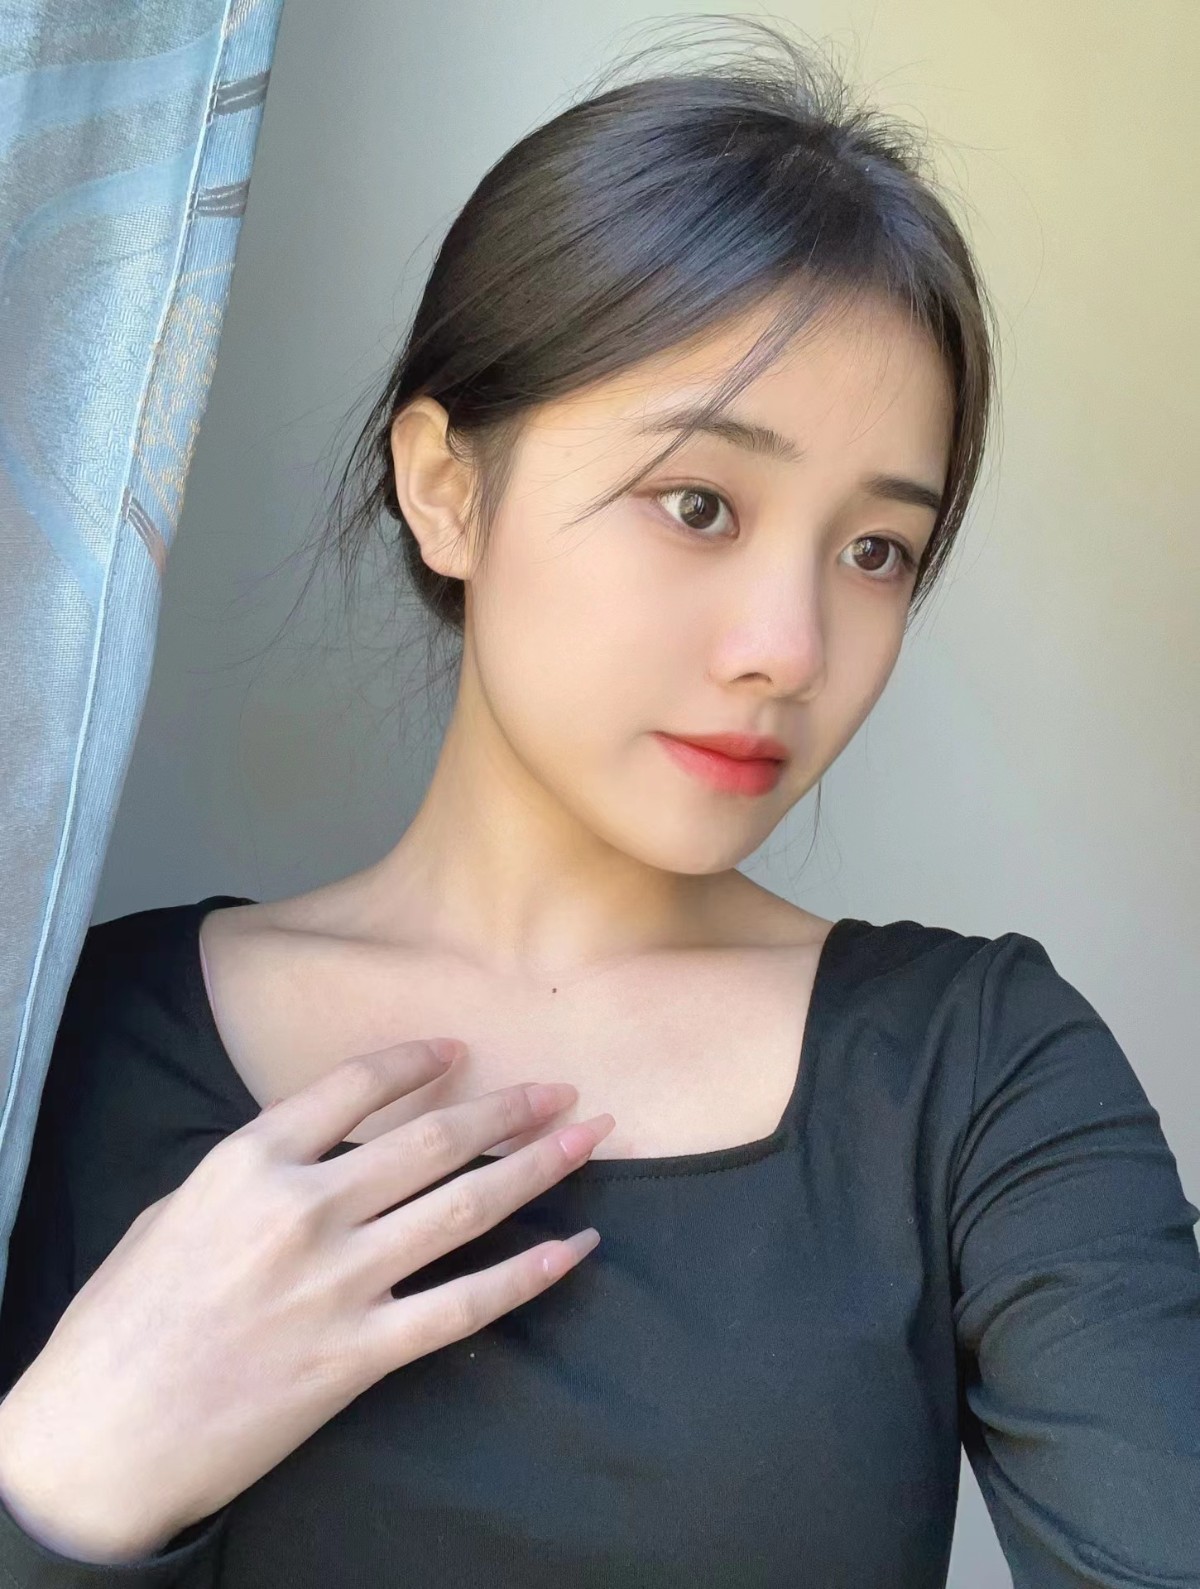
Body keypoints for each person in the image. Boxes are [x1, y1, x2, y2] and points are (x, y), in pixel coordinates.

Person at [0, 18, 1196, 1587]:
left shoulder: (977, 1075)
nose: (790, 648)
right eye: (698, 503)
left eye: (876, 550)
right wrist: (62, 1475)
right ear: (449, 487)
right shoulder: (73, 1034)